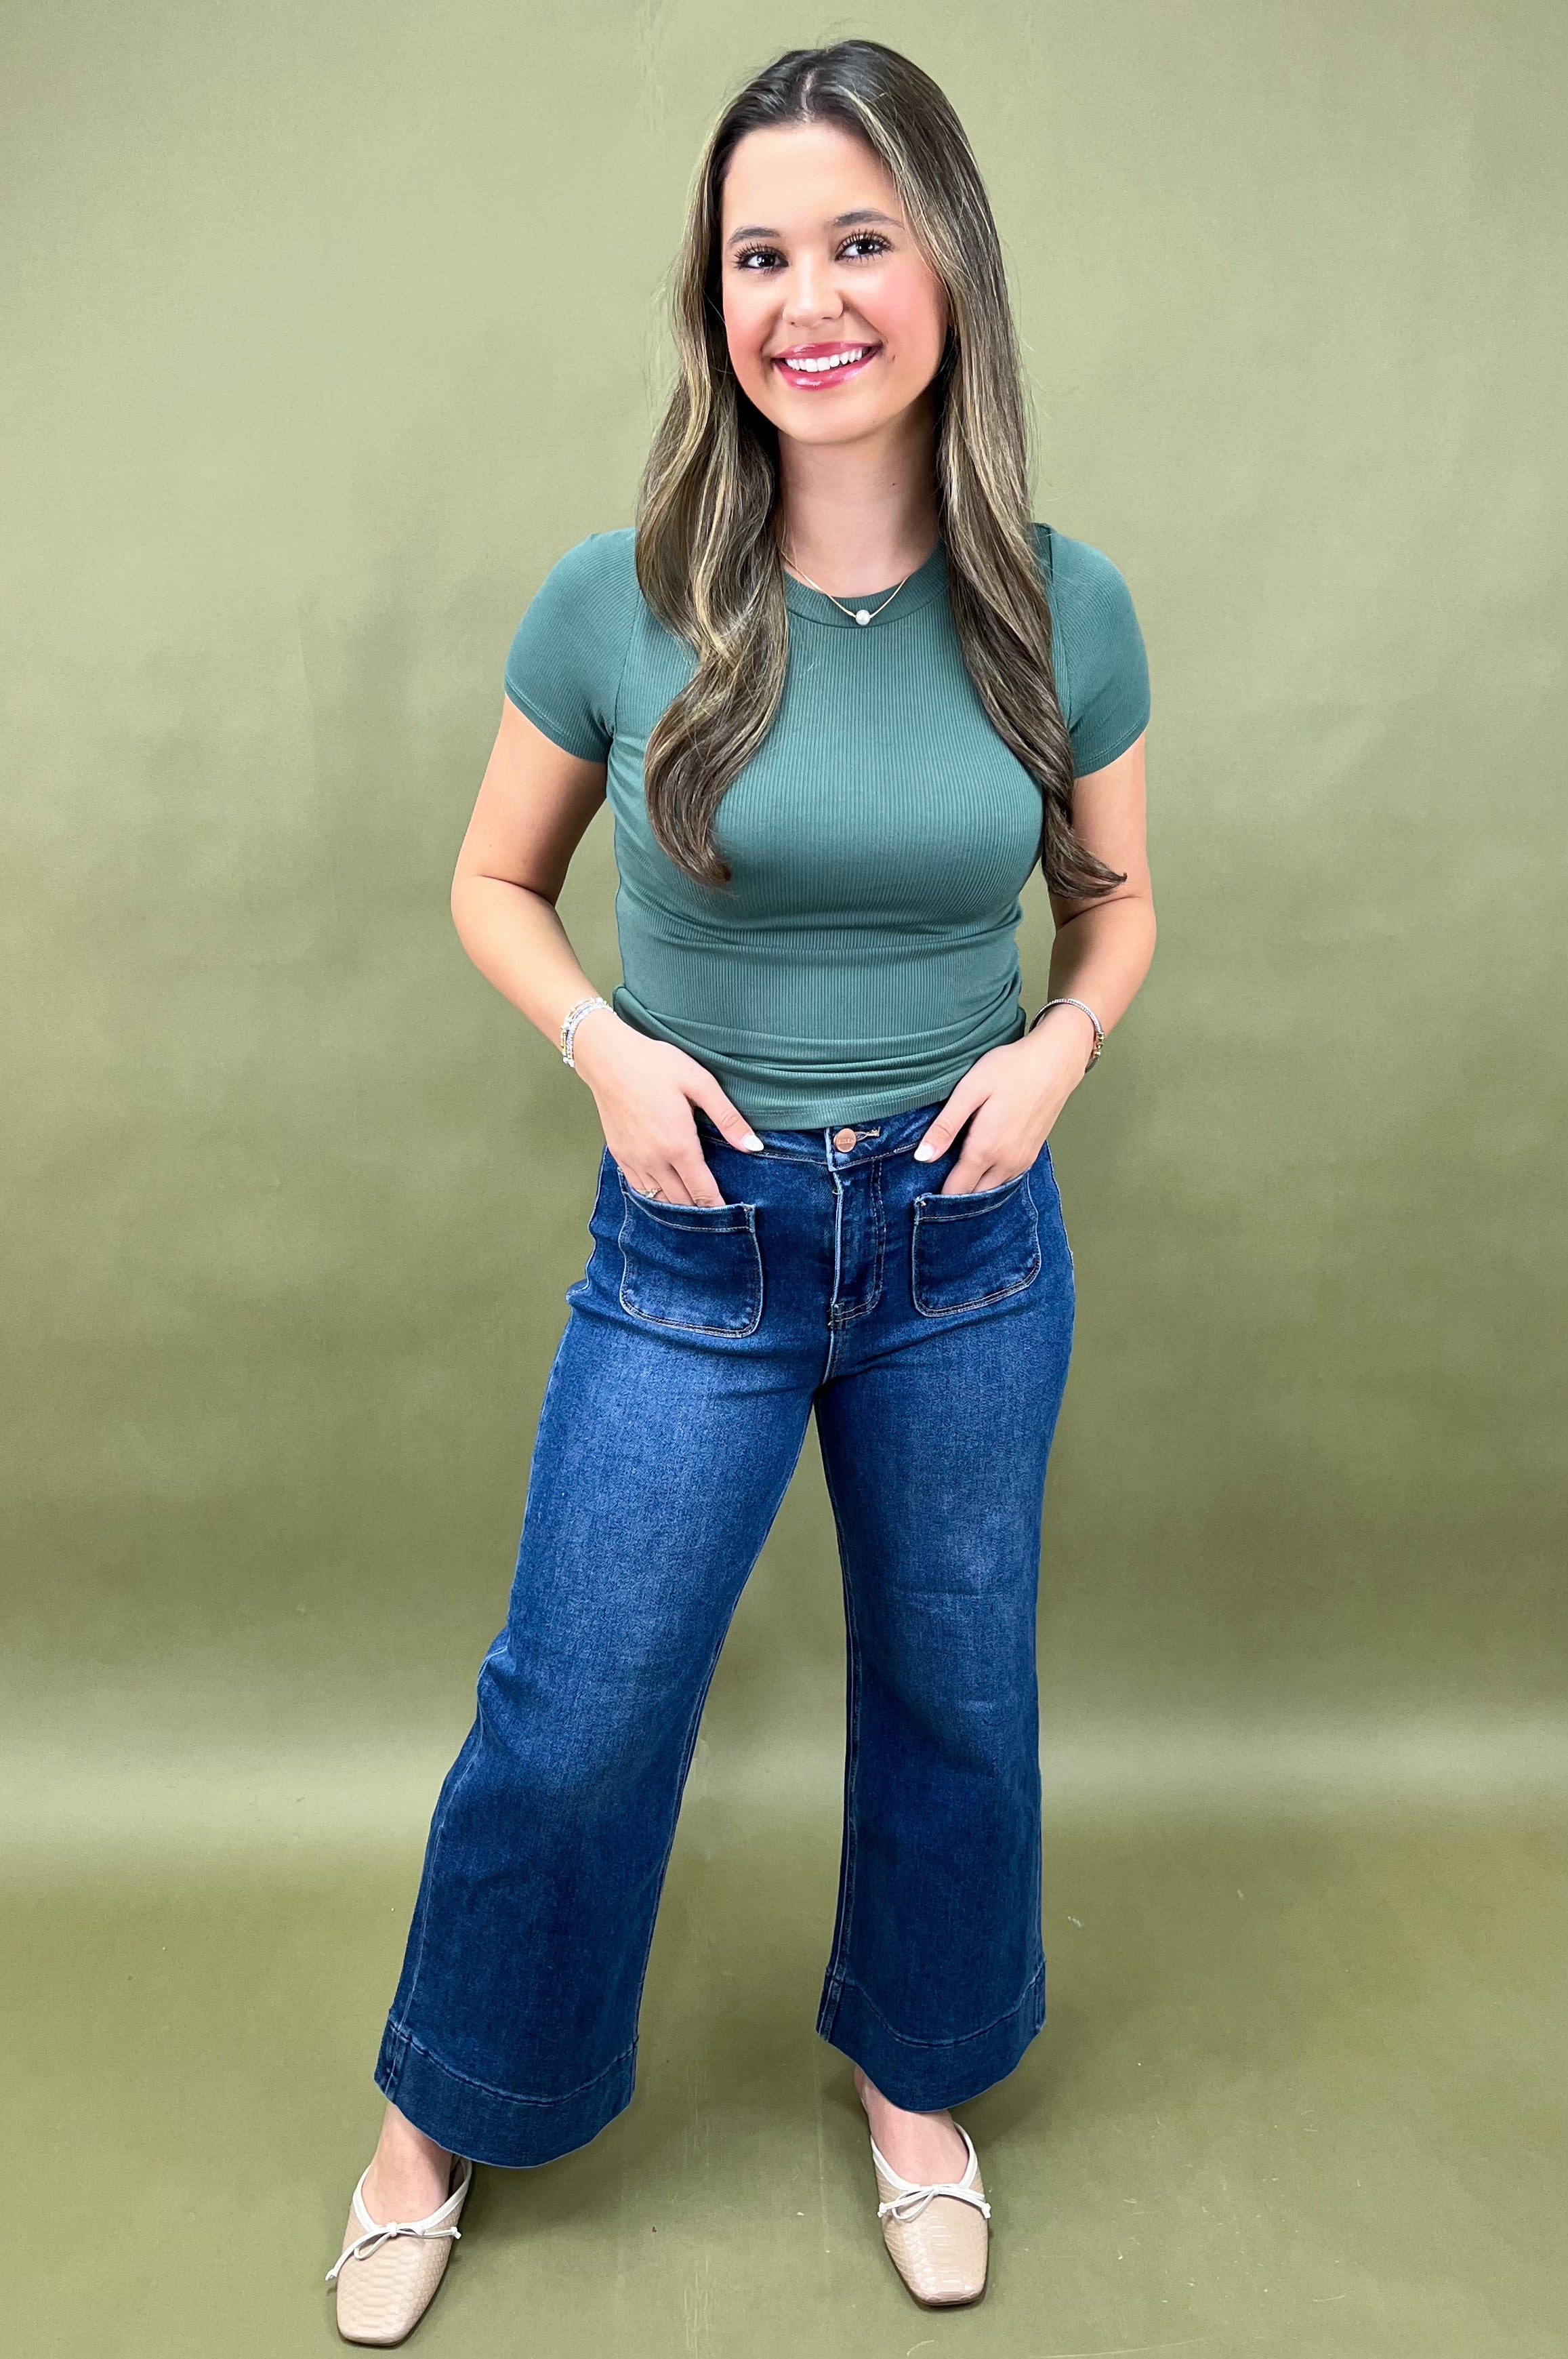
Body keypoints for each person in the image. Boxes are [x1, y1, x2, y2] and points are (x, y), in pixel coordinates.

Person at [326, 35, 1154, 2344]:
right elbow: (492, 884)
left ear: (948, 269)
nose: (809, 299)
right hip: (695, 1240)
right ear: (714, 302)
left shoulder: (1061, 607)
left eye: (858, 242)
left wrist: (1057, 1050)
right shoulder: (614, 600)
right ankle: (434, 2117)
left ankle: (917, 2076)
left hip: (966, 1241)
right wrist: (602, 1046)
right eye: (758, 254)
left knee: (956, 1689)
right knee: (578, 1703)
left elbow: (1114, 906)